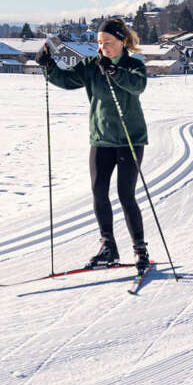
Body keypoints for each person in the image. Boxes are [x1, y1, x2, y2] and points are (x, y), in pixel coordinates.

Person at [35, 18, 150, 272]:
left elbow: (138, 85)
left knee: (125, 195)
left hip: (130, 139)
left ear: (122, 41)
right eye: (100, 42)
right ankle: (108, 246)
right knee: (99, 193)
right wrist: (48, 65)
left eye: (108, 42)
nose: (103, 47)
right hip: (101, 138)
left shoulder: (134, 65)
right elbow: (67, 80)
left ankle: (140, 249)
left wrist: (114, 71)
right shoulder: (91, 65)